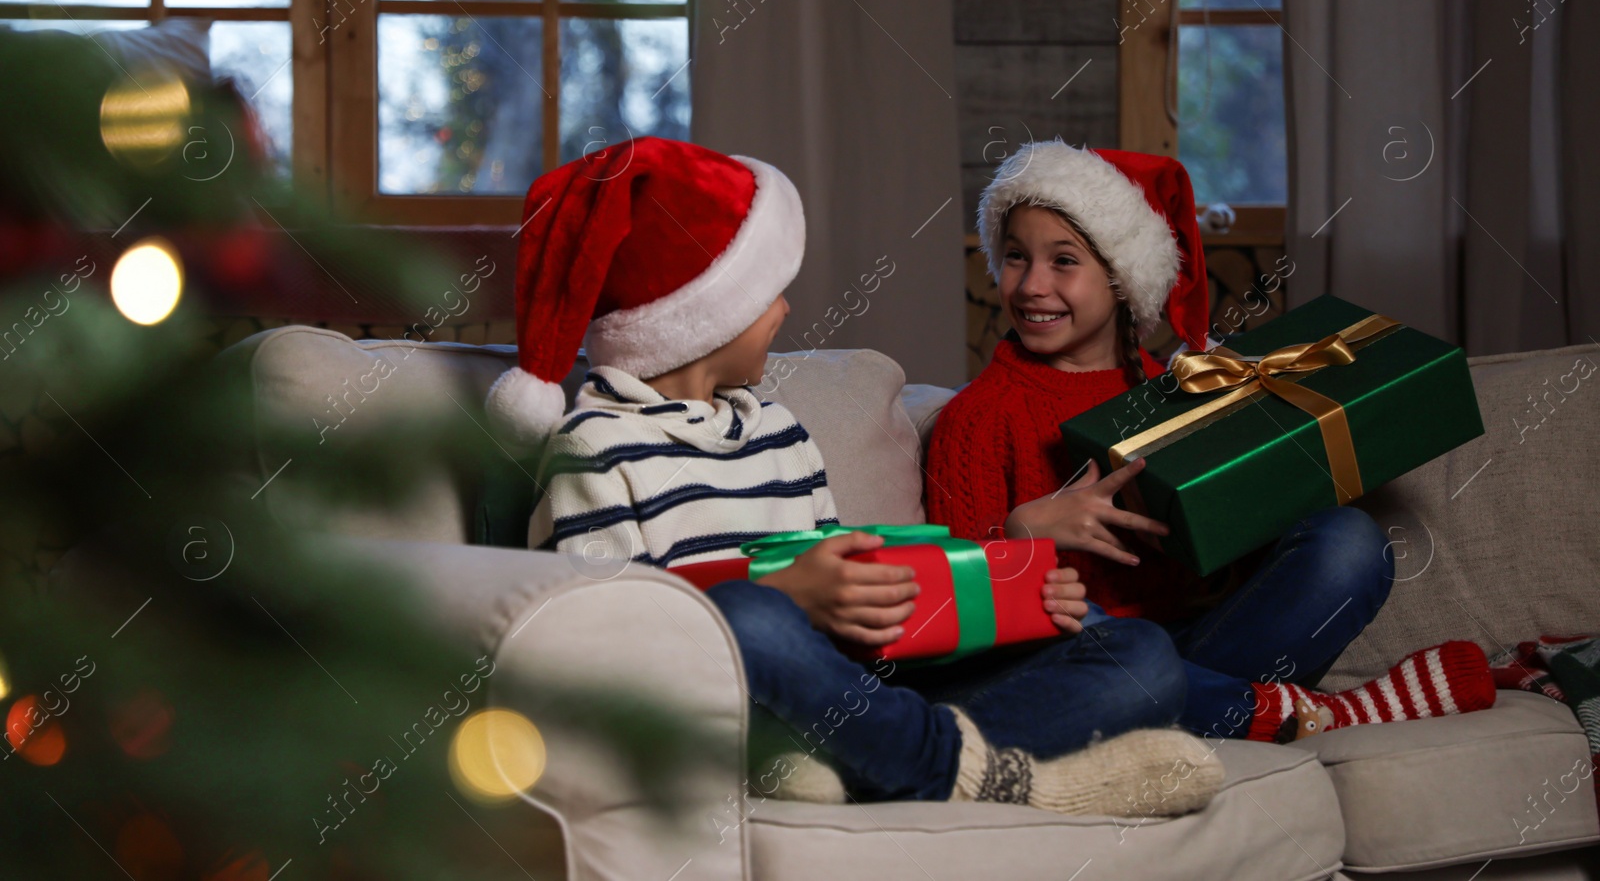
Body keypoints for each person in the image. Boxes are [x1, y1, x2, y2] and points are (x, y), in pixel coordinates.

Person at [487, 136, 1223, 812]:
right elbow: (592, 627)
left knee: (1143, 658)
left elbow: (864, 588)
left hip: (852, 693)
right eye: (765, 293)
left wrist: (1008, 592)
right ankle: (974, 773)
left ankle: (867, 760)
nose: (782, 309)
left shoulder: (778, 429)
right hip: (718, 705)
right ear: (704, 315)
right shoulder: (595, 445)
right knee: (754, 617)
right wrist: (785, 595)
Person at [925, 141, 1496, 743]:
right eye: (1015, 257)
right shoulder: (977, 417)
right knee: (1114, 642)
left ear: (1122, 278)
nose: (1032, 284)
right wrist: (1025, 531)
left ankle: (1198, 706)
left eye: (1063, 261)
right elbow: (952, 620)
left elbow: (1233, 553)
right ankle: (1314, 714)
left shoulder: (1188, 388)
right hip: (1092, 655)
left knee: (1353, 542)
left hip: (1206, 643)